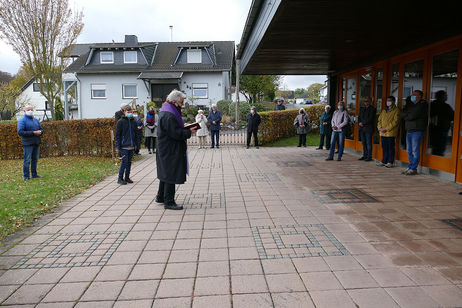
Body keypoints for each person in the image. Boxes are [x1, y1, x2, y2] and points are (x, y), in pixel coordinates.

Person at [155, 90, 198, 210]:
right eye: (181, 102)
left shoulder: (166, 109)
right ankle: (169, 201)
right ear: (174, 102)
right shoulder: (169, 114)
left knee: (165, 172)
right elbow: (175, 133)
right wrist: (189, 132)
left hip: (166, 147)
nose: (182, 105)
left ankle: (160, 197)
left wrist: (183, 126)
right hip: (170, 149)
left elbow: (173, 128)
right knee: (170, 174)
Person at [401, 90, 428, 175]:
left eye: (415, 94)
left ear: (420, 96)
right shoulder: (410, 104)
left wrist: (407, 115)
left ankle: (414, 169)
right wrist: (408, 115)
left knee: (415, 150)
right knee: (409, 150)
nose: (412, 95)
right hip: (409, 129)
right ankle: (410, 166)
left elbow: (413, 115)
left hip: (417, 130)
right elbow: (402, 113)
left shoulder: (423, 105)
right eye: (412, 94)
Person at [17, 106, 43, 181]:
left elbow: (41, 129)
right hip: (28, 143)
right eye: (28, 110)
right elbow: (20, 132)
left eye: (31, 109)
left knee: (35, 159)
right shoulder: (22, 121)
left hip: (36, 142)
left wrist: (41, 132)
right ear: (24, 111)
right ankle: (26, 176)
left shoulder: (35, 120)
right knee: (27, 160)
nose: (30, 111)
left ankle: (34, 174)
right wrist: (33, 132)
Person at [115, 105, 137, 185]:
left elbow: (135, 133)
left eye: (131, 112)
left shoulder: (133, 121)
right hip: (124, 145)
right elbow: (117, 135)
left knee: (129, 162)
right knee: (124, 162)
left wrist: (136, 144)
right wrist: (117, 146)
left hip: (131, 145)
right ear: (124, 112)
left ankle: (127, 177)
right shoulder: (120, 121)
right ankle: (120, 178)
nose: (130, 113)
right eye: (128, 112)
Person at [377, 96, 400, 168]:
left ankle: (390, 162)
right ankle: (384, 161)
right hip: (382, 133)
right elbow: (379, 120)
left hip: (390, 133)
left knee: (391, 148)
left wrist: (386, 129)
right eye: (387, 100)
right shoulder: (384, 110)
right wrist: (380, 128)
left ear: (393, 101)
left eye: (390, 100)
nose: (388, 102)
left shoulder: (396, 110)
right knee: (384, 147)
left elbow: (395, 122)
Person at [429, 90, 454, 156]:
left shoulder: (432, 105)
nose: (447, 96)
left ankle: (433, 163)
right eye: (445, 95)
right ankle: (437, 164)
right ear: (442, 96)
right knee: (440, 149)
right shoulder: (445, 106)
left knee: (435, 148)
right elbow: (453, 116)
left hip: (433, 130)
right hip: (442, 131)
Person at [358, 97, 375, 161]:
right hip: (362, 128)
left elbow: (371, 118)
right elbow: (359, 117)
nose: (366, 102)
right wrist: (359, 122)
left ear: (370, 102)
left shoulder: (372, 109)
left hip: (368, 128)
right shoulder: (362, 109)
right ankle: (364, 155)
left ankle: (369, 156)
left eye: (367, 101)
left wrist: (363, 123)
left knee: (368, 143)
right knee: (363, 143)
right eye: (365, 101)